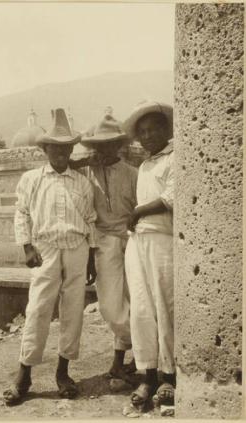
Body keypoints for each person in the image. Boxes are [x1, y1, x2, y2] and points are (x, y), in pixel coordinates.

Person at [3, 108, 98, 406]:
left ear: (71, 150)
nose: (60, 153)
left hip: (77, 249)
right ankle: (25, 374)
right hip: (45, 251)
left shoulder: (81, 182)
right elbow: (22, 214)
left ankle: (63, 373)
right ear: (45, 149)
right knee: (38, 310)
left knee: (72, 310)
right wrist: (27, 247)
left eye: (66, 148)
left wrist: (92, 257)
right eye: (55, 148)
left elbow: (90, 220)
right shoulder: (32, 179)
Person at [79, 110, 138, 383]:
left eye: (110, 143)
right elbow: (60, 162)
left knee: (137, 300)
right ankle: (149, 344)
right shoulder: (86, 172)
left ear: (119, 145)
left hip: (133, 240)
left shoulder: (134, 173)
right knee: (111, 308)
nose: (105, 149)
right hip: (103, 243)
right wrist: (86, 158)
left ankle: (120, 363)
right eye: (99, 145)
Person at [122, 101, 175, 409]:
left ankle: (169, 374)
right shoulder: (144, 165)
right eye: (142, 131)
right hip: (138, 241)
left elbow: (170, 197)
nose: (147, 135)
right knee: (141, 307)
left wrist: (139, 211)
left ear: (166, 129)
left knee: (164, 304)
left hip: (162, 239)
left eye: (153, 128)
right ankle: (148, 373)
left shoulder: (175, 158)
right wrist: (136, 219)